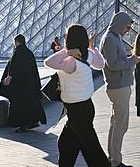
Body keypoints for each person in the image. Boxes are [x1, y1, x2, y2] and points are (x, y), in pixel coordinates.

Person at [44, 24, 108, 167]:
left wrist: (67, 52)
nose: (65, 38)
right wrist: (91, 47)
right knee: (66, 145)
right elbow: (101, 64)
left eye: (67, 36)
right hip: (84, 108)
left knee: (92, 151)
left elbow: (48, 62)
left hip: (77, 111)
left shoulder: (71, 62)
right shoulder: (87, 55)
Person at [101, 11, 140, 167]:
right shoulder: (110, 39)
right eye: (127, 26)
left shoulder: (114, 37)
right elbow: (113, 64)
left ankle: (113, 158)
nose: (129, 30)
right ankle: (116, 161)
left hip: (119, 85)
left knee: (116, 123)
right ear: (119, 24)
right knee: (121, 124)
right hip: (118, 87)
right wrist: (131, 61)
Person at [0, 34, 47, 133]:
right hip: (31, 85)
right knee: (31, 104)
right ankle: (34, 122)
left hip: (20, 86)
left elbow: (13, 68)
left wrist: (8, 78)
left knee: (21, 106)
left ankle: (23, 125)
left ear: (17, 42)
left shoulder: (17, 52)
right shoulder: (29, 53)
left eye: (14, 42)